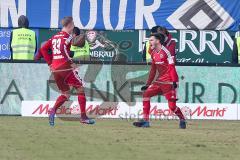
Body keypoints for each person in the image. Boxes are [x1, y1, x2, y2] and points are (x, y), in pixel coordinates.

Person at [39, 16, 95, 126]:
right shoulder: (67, 37)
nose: (73, 26)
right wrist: (71, 63)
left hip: (55, 69)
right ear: (69, 25)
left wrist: (50, 63)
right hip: (64, 67)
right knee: (80, 88)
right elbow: (63, 49)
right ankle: (83, 117)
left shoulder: (54, 37)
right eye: (73, 24)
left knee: (66, 93)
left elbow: (43, 49)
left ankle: (52, 111)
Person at [133, 33, 186, 129]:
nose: (150, 42)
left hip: (170, 81)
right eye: (150, 40)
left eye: (152, 40)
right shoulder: (153, 53)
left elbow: (171, 67)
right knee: (146, 94)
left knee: (172, 107)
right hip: (160, 81)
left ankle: (182, 119)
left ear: (158, 41)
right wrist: (148, 84)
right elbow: (153, 70)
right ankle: (146, 121)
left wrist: (174, 81)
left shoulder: (167, 52)